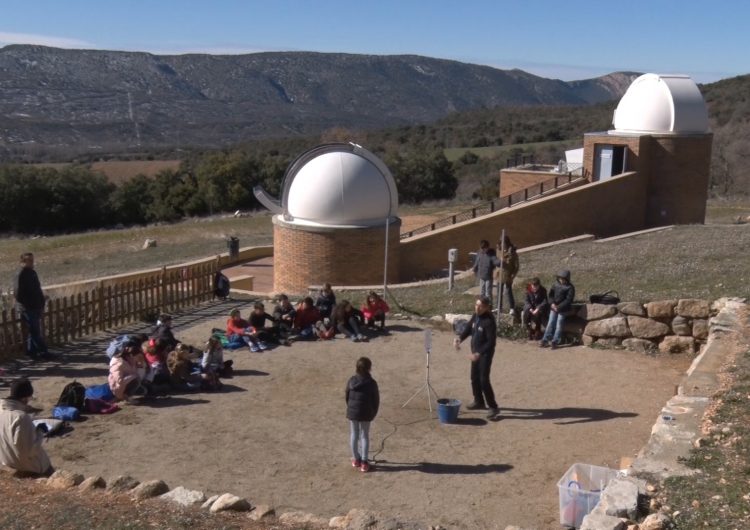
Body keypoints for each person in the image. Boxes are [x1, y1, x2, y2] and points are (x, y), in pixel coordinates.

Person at [454, 295, 500, 419]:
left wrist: (478, 353)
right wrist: (460, 339)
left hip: (484, 354)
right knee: (474, 378)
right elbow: (469, 328)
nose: (477, 308)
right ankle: (479, 401)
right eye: (476, 305)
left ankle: (493, 407)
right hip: (475, 353)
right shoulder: (475, 316)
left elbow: (491, 342)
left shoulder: (489, 321)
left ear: (486, 307)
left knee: (483, 380)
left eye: (480, 306)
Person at [0, 379, 53, 476]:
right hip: (30, 467)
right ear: (24, 398)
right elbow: (30, 451)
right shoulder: (21, 417)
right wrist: (40, 431)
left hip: (8, 461)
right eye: (29, 398)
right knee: (49, 468)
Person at [345, 357, 379, 473]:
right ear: (369, 368)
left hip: (353, 412)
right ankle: (364, 462)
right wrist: (373, 412)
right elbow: (376, 400)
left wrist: (350, 409)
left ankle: (356, 459)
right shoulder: (372, 383)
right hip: (366, 412)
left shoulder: (351, 380)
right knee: (364, 435)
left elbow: (347, 396)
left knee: (354, 434)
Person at [13, 252, 50, 359]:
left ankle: (31, 353)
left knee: (33, 331)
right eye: (28, 260)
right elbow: (18, 294)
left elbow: (37, 289)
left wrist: (41, 302)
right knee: (36, 332)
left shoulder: (33, 273)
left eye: (32, 260)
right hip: (27, 308)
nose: (31, 262)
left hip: (36, 306)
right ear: (22, 262)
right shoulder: (20, 274)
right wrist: (30, 304)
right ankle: (44, 352)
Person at [540, 270, 576, 350]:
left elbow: (568, 300)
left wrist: (558, 307)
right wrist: (552, 303)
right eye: (560, 278)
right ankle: (545, 340)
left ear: (567, 279)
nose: (561, 280)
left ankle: (555, 341)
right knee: (550, 323)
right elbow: (550, 295)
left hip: (563, 309)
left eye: (563, 279)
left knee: (559, 325)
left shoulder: (570, 287)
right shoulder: (555, 285)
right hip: (553, 307)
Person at [495, 235, 519, 315]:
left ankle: (512, 308)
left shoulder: (512, 251)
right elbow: (496, 260)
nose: (503, 245)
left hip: (508, 274)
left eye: (504, 243)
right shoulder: (498, 250)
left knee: (509, 291)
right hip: (499, 274)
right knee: (499, 292)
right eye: (501, 243)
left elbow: (516, 265)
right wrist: (499, 262)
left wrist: (513, 275)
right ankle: (499, 308)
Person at [472, 240, 500, 305]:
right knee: (482, 292)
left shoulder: (491, 254)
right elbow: (477, 262)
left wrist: (499, 262)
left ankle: (489, 306)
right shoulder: (479, 253)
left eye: (484, 249)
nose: (483, 250)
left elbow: (495, 261)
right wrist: (475, 269)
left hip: (488, 276)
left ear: (487, 247)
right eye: (481, 248)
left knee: (488, 293)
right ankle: (482, 305)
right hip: (481, 275)